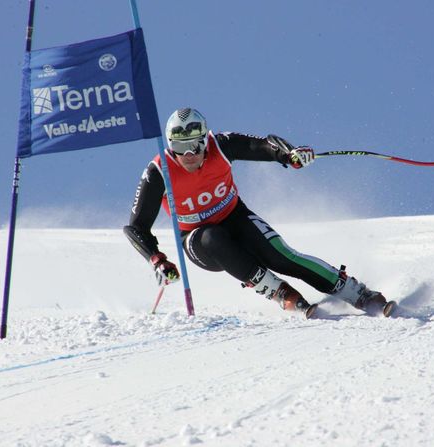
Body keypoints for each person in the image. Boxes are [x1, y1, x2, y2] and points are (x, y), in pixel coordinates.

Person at [124, 108, 395, 319]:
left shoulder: (221, 145)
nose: (189, 155)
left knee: (283, 257)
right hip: (197, 240)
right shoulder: (159, 172)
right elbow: (135, 227)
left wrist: (290, 155)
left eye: (195, 145)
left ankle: (356, 293)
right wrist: (157, 260)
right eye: (180, 148)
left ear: (205, 139)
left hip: (235, 216)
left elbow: (264, 146)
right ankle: (279, 292)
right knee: (212, 238)